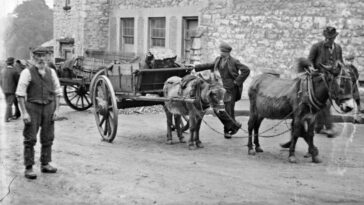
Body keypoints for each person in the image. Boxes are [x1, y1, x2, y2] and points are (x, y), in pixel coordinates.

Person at [16, 56, 62, 179]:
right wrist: (24, 113)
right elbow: (20, 94)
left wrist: (57, 110)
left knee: (48, 137)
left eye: (44, 57)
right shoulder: (26, 72)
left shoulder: (51, 72)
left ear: (47, 58)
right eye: (38, 57)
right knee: (30, 138)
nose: (41, 60)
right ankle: (29, 167)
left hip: (49, 107)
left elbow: (57, 92)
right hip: (32, 108)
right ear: (34, 59)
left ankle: (45, 164)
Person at [193, 42, 250, 139]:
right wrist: (195, 67)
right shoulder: (218, 59)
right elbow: (209, 65)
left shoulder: (234, 61)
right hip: (220, 88)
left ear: (228, 52)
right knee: (219, 110)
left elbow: (246, 70)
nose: (221, 53)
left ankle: (228, 131)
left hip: (231, 89)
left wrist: (237, 82)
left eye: (223, 52)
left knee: (228, 110)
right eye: (221, 51)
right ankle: (233, 126)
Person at [308, 26, 343, 138]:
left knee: (337, 96)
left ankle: (318, 127)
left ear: (334, 38)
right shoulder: (316, 47)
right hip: (318, 79)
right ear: (325, 37)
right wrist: (311, 68)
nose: (329, 40)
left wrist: (338, 68)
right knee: (325, 102)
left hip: (332, 79)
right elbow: (309, 61)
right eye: (327, 38)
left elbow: (340, 63)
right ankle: (329, 128)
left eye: (331, 38)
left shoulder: (338, 48)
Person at [0, 57, 19, 122]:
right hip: (12, 90)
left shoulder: (2, 70)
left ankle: (10, 116)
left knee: (8, 103)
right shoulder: (14, 71)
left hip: (4, 90)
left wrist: (2, 88)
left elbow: (0, 81)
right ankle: (6, 118)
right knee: (9, 104)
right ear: (13, 63)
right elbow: (17, 82)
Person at [345, 54, 362, 122]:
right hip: (346, 87)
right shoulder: (343, 68)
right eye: (349, 61)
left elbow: (356, 76)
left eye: (352, 61)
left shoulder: (353, 68)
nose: (350, 62)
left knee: (357, 101)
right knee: (348, 102)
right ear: (346, 60)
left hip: (354, 86)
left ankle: (356, 118)